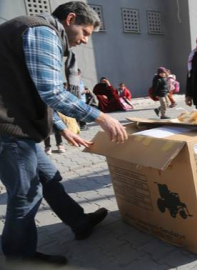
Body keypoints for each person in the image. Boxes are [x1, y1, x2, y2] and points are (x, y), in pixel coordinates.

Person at [0, 1, 128, 266]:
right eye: (85, 33)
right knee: (25, 193)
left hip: (20, 126)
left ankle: (80, 223)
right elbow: (52, 92)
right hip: (8, 128)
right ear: (70, 19)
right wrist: (101, 117)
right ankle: (19, 258)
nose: (84, 40)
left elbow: (36, 89)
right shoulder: (43, 31)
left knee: (49, 177)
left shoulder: (36, 31)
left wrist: (59, 128)